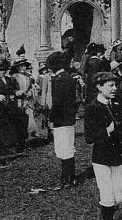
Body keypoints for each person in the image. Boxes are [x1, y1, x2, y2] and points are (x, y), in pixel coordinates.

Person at [85, 71, 122, 220]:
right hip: (102, 158)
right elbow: (89, 137)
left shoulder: (117, 105)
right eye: (110, 85)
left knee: (119, 195)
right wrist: (107, 130)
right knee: (107, 196)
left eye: (115, 85)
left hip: (119, 156)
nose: (114, 89)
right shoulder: (92, 108)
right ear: (100, 87)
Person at [49, 51, 80, 187]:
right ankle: (70, 176)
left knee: (62, 148)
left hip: (60, 118)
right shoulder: (69, 78)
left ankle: (67, 176)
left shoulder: (58, 80)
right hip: (69, 117)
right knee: (69, 147)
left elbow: (57, 102)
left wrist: (51, 118)